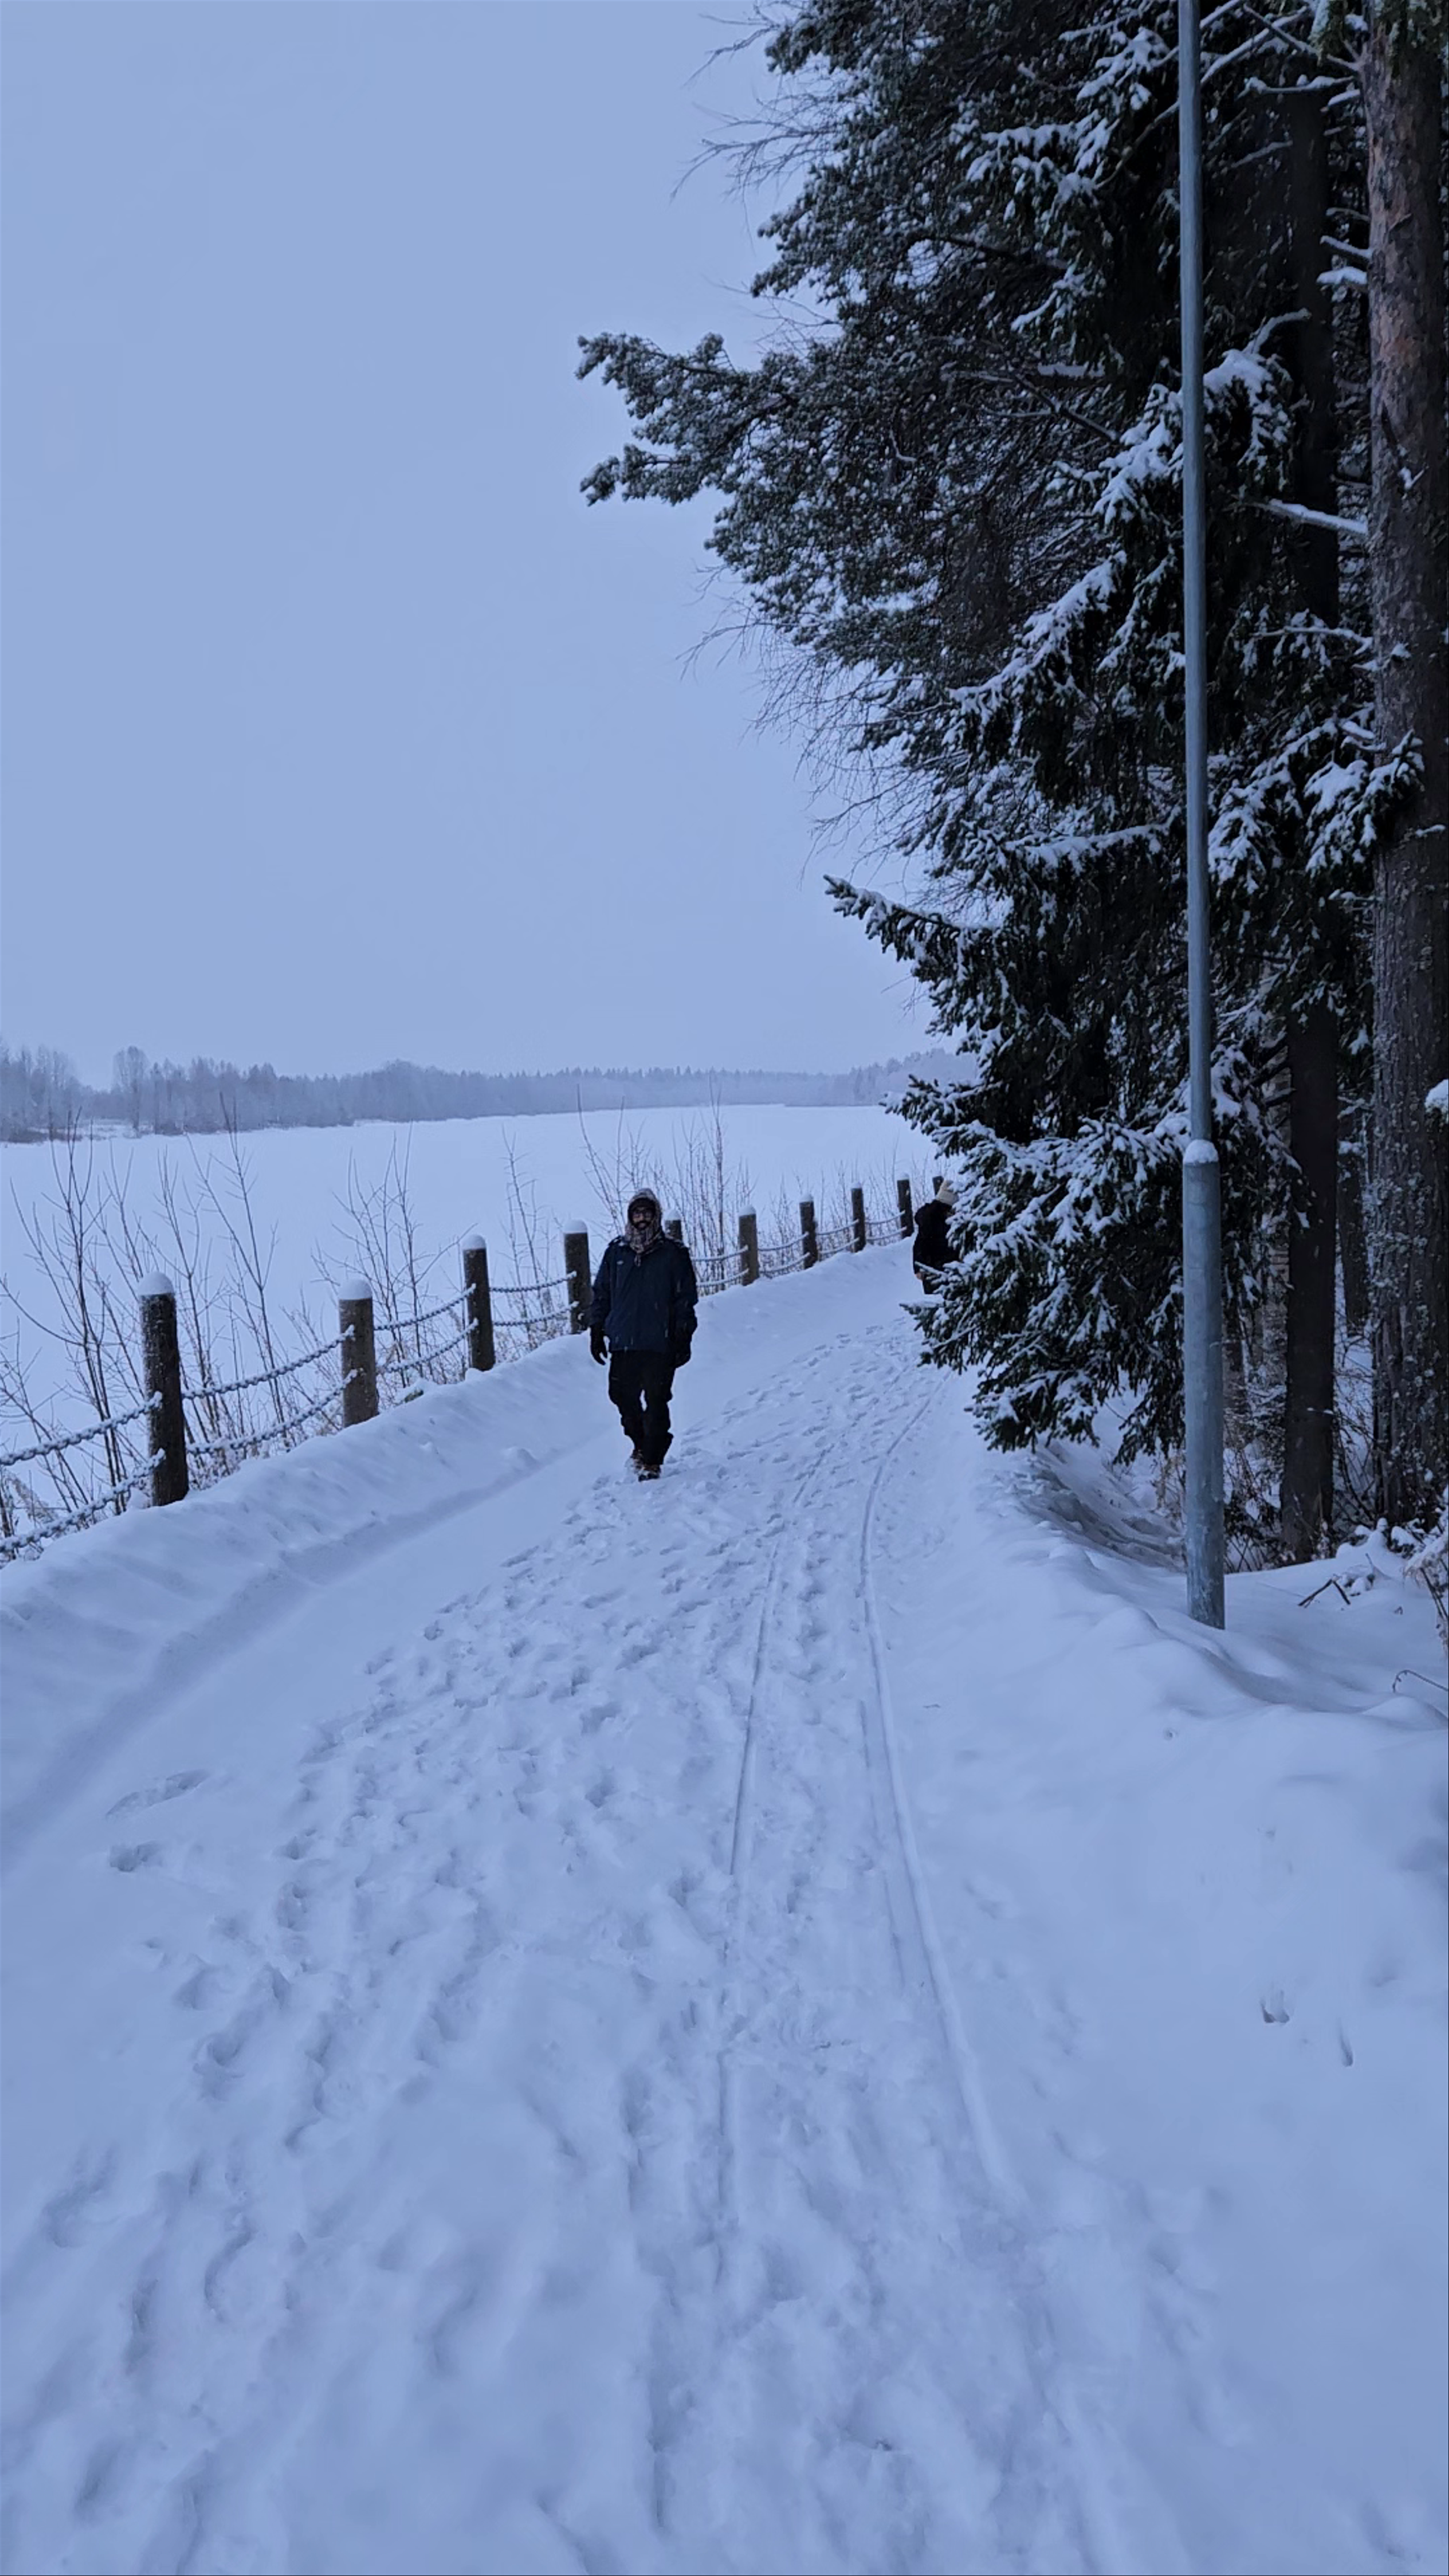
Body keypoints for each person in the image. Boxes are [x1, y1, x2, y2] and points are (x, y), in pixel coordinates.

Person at [589, 1189, 698, 1478]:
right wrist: (597, 1329)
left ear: (656, 1216)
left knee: (657, 1400)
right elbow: (602, 1293)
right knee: (621, 1396)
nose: (641, 1219)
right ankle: (641, 1443)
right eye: (637, 1214)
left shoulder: (673, 1253)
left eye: (647, 1213)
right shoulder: (616, 1251)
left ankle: (652, 1459)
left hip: (660, 1342)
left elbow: (686, 1298)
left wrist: (683, 1335)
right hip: (623, 1340)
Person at [912, 1175, 956, 1283]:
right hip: (937, 1267)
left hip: (932, 1267)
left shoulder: (929, 1216)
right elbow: (922, 1243)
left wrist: (918, 1267)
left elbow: (919, 1244)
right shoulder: (935, 1219)